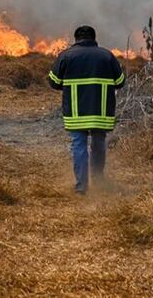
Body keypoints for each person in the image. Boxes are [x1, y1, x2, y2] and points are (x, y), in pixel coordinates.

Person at [48, 25, 126, 194]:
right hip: (101, 110)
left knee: (79, 145)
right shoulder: (107, 55)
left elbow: (53, 82)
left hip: (76, 111)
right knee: (98, 143)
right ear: (94, 38)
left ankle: (81, 186)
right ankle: (98, 181)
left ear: (76, 39)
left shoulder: (66, 56)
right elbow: (120, 81)